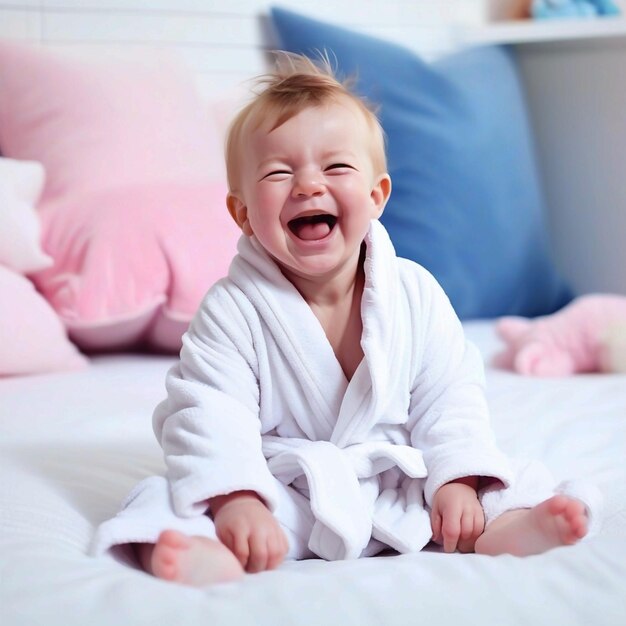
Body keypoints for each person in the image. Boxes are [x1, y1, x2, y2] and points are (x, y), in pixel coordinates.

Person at [91, 53, 600, 587]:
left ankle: (510, 529)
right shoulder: (232, 309)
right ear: (242, 213)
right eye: (279, 171)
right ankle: (205, 549)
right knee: (168, 498)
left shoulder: (415, 293)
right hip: (287, 486)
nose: (309, 185)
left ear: (378, 195)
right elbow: (211, 410)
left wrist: (456, 478)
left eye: (335, 167)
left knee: (503, 485)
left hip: (399, 480)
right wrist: (237, 498)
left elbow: (448, 395)